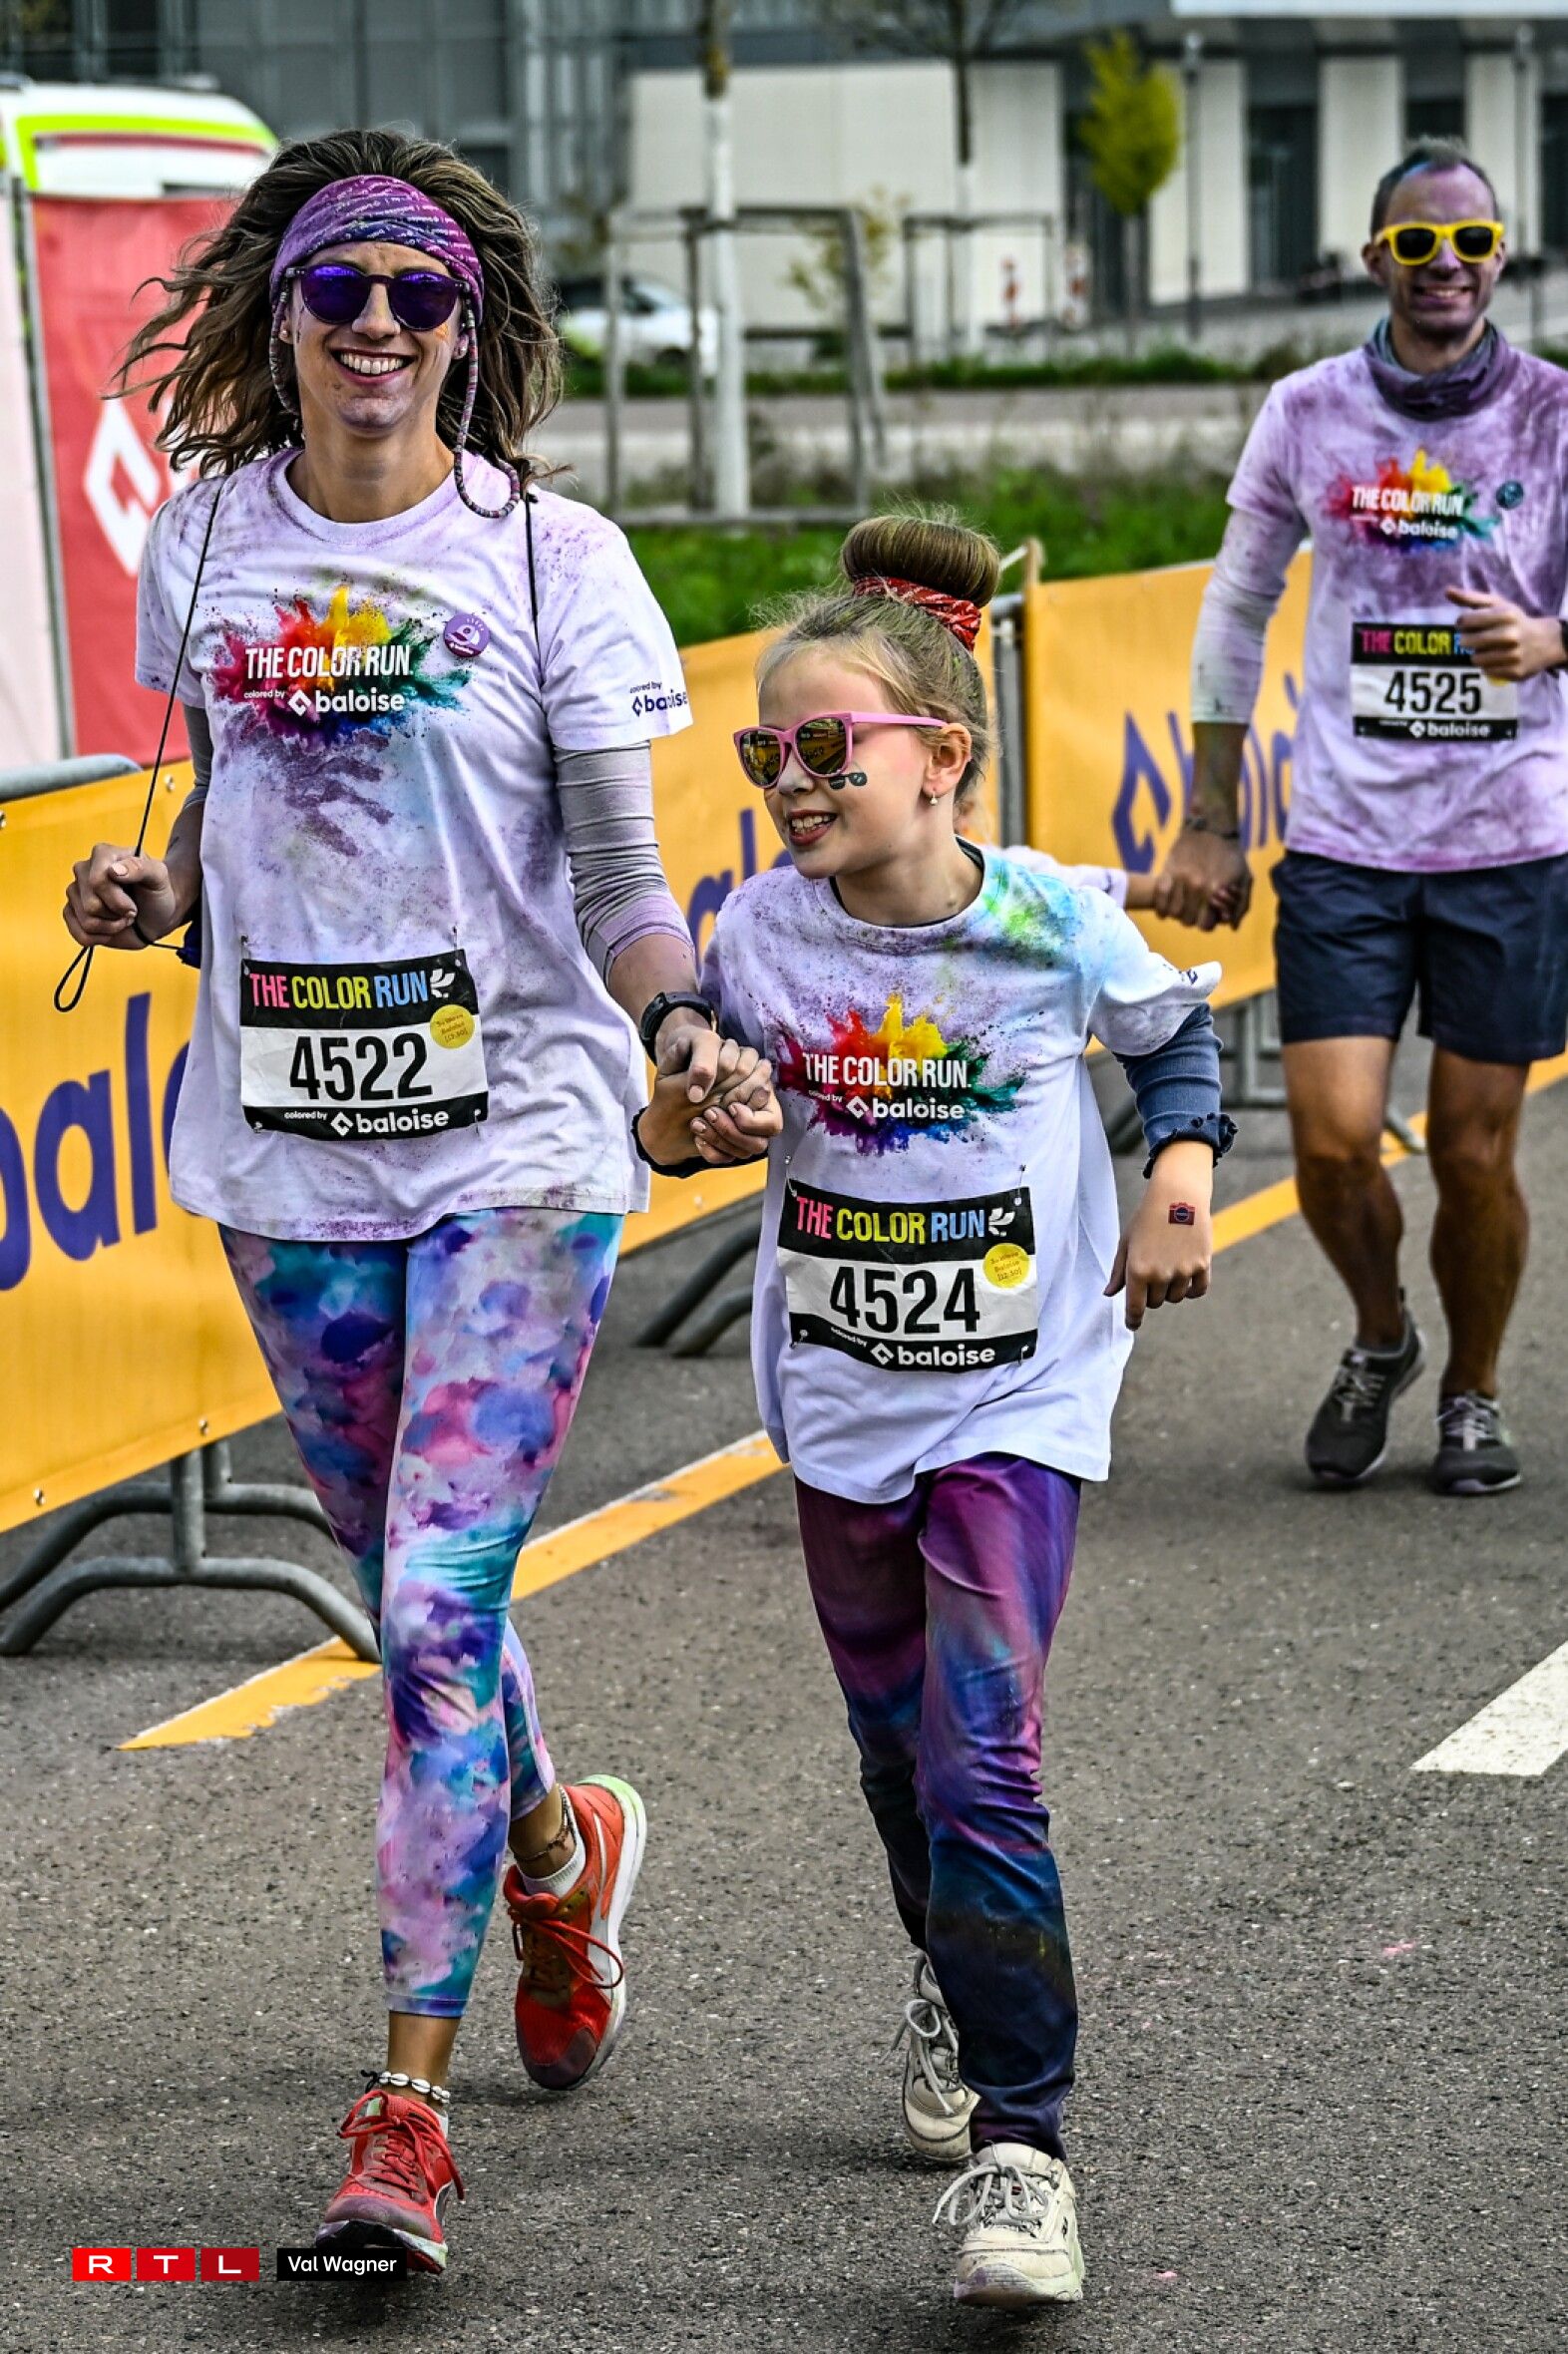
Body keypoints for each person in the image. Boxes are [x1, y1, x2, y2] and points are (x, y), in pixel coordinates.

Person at [62, 131, 771, 2273]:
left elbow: (622, 882)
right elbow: (220, 831)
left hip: (517, 1141)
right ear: (279, 318)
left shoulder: (554, 559)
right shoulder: (206, 538)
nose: (379, 325)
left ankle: (403, 2118)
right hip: (290, 1142)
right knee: (412, 1594)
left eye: (421, 295)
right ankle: (559, 1854)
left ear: (472, 331)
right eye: (341, 290)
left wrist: (680, 1027)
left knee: (440, 1608)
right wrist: (156, 898)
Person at [635, 513, 1233, 2307]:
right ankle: (958, 1976)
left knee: (985, 1757)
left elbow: (1174, 1042)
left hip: (1017, 1398)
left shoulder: (1046, 915)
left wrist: (1180, 1183)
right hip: (839, 1400)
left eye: (831, 745)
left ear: (942, 757)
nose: (793, 780)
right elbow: (677, 1132)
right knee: (900, 1764)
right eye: (769, 751)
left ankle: (1024, 2155)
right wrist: (705, 1113)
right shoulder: (757, 932)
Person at [1165, 137, 1568, 1495]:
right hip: (1346, 839)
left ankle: (1473, 1389)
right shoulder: (1308, 412)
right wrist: (1211, 813)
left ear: (1501, 257)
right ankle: (1384, 1335)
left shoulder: (1554, 416)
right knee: (1333, 1145)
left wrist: (1551, 640)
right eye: (1417, 242)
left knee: (1473, 1150)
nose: (1445, 263)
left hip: (1510, 839)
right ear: (1374, 259)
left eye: (1471, 241)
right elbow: (1235, 608)